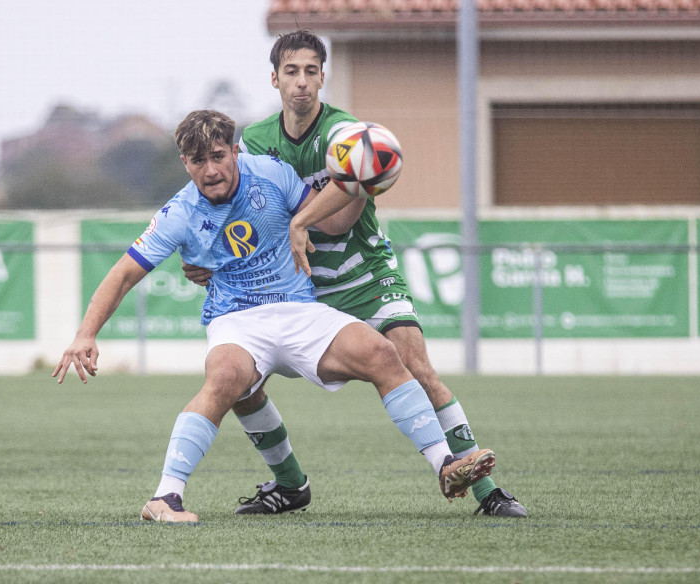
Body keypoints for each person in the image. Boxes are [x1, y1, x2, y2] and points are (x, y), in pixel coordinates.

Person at [53, 109, 494, 523]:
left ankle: (445, 465)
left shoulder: (271, 173)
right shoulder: (179, 213)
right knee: (227, 379)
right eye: (198, 161)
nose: (211, 170)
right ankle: (165, 497)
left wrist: (359, 184)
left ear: (234, 152)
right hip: (238, 320)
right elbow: (124, 273)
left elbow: (333, 224)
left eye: (219, 156)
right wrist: (85, 334)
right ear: (184, 163)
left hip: (299, 308)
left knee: (381, 352)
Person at [183, 30, 526, 518]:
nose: (301, 82)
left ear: (323, 77)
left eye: (310, 71)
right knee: (240, 382)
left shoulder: (350, 135)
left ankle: (487, 490)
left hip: (364, 272)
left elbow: (343, 218)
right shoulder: (255, 142)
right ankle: (289, 485)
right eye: (291, 72)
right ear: (275, 78)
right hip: (300, 286)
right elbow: (235, 207)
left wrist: (300, 219)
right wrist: (208, 255)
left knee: (417, 367)